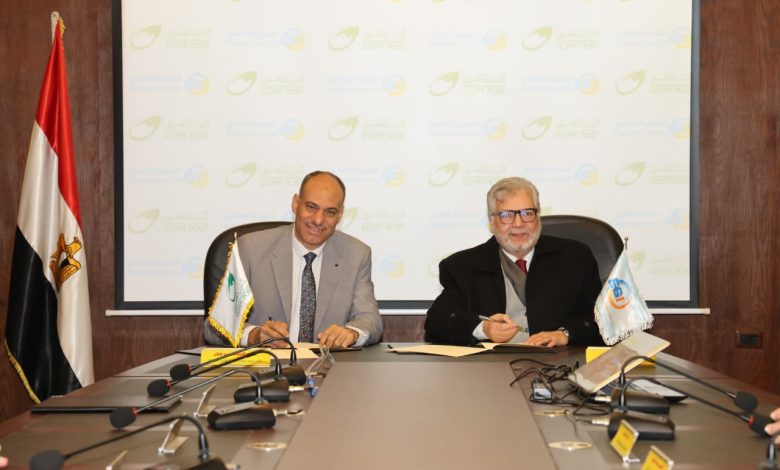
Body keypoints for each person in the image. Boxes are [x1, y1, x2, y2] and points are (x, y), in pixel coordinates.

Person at [204, 171, 382, 348]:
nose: (318, 220)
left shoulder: (357, 254)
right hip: (266, 364)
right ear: (295, 204)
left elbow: (370, 320)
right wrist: (254, 336)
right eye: (311, 207)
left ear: (340, 214)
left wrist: (352, 333)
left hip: (328, 363)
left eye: (330, 212)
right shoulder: (250, 249)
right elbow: (214, 328)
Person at [425, 176, 604, 347]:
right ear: (492, 222)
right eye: (506, 215)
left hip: (561, 361)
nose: (518, 223)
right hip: (491, 365)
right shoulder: (461, 267)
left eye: (527, 213)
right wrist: (484, 329)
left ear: (538, 216)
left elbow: (603, 319)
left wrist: (564, 334)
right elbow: (436, 323)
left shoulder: (576, 258)